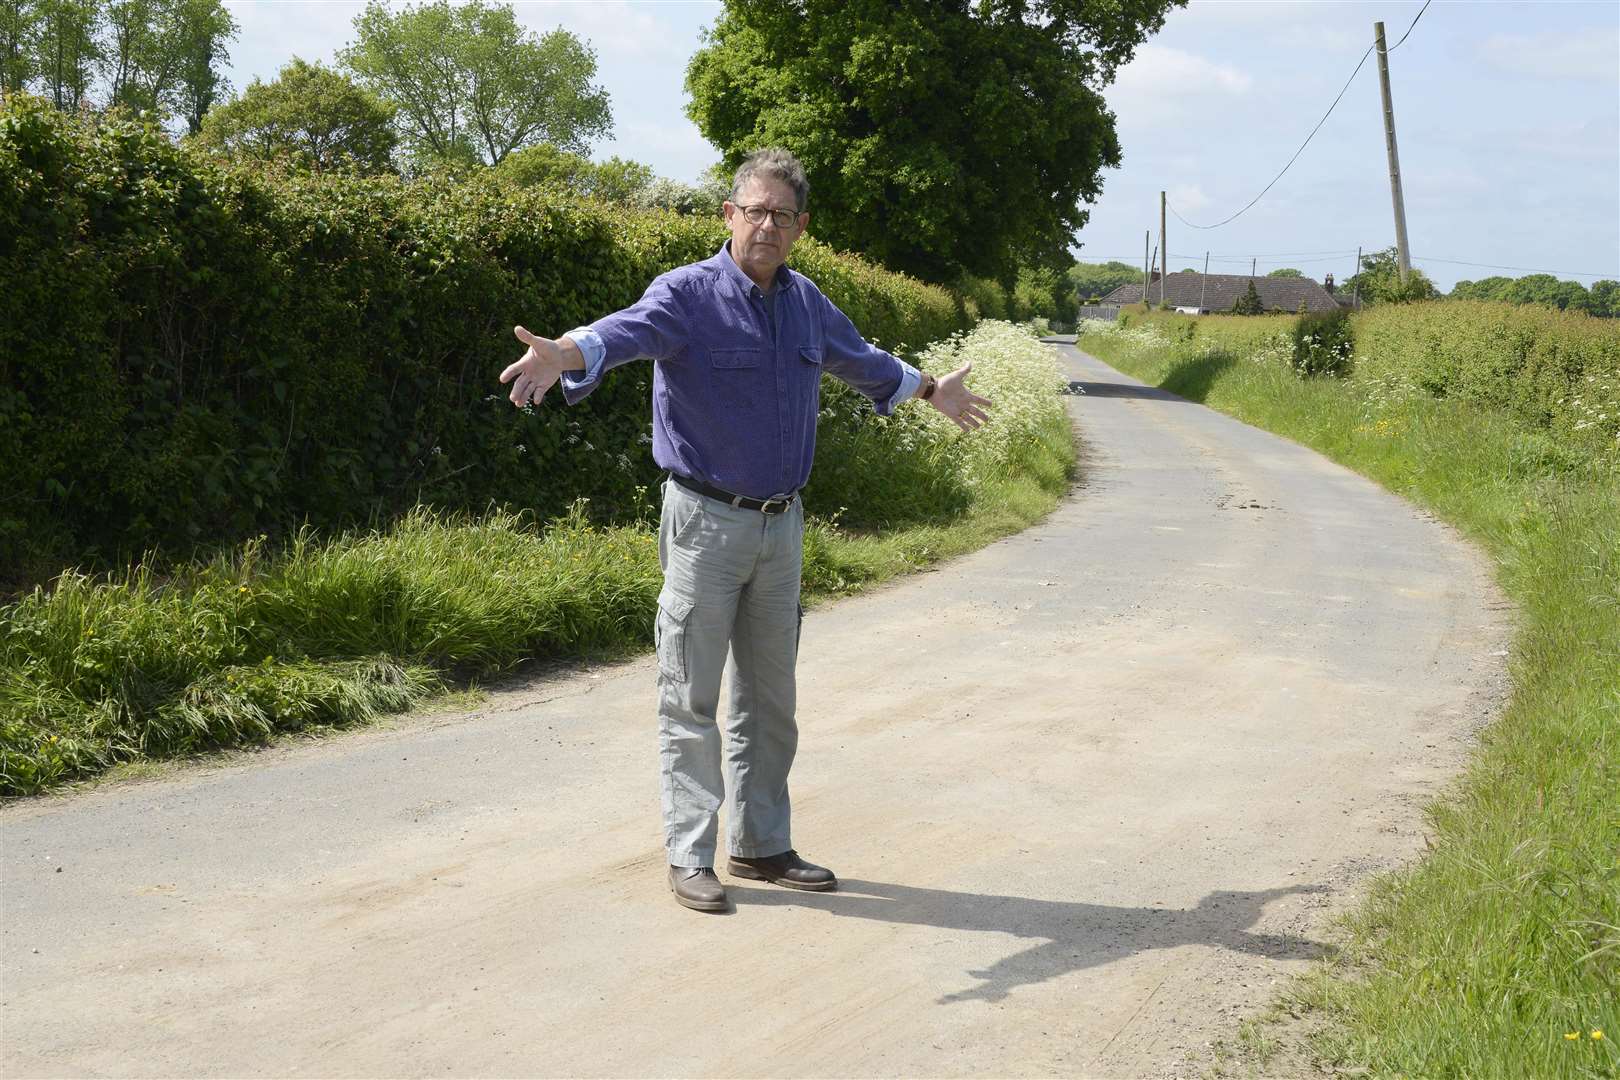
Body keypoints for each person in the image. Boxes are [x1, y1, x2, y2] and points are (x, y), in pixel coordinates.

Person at [500, 148, 991, 913]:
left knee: (769, 698)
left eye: (781, 214)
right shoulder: (687, 295)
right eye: (753, 210)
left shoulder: (806, 303)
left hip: (782, 527)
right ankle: (690, 854)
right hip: (705, 524)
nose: (766, 224)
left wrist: (929, 388)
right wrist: (563, 353)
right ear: (728, 216)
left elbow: (859, 360)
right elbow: (618, 335)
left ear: (799, 228)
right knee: (690, 694)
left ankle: (761, 845)